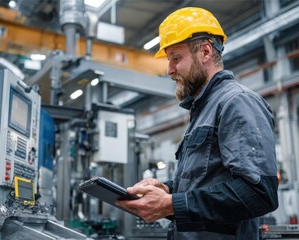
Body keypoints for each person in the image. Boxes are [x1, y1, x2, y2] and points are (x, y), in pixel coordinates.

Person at [116, 7, 279, 240]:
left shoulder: (236, 102)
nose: (170, 69)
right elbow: (208, 181)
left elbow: (258, 193)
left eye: (175, 58)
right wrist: (167, 190)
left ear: (205, 52)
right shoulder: (203, 109)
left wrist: (172, 204)